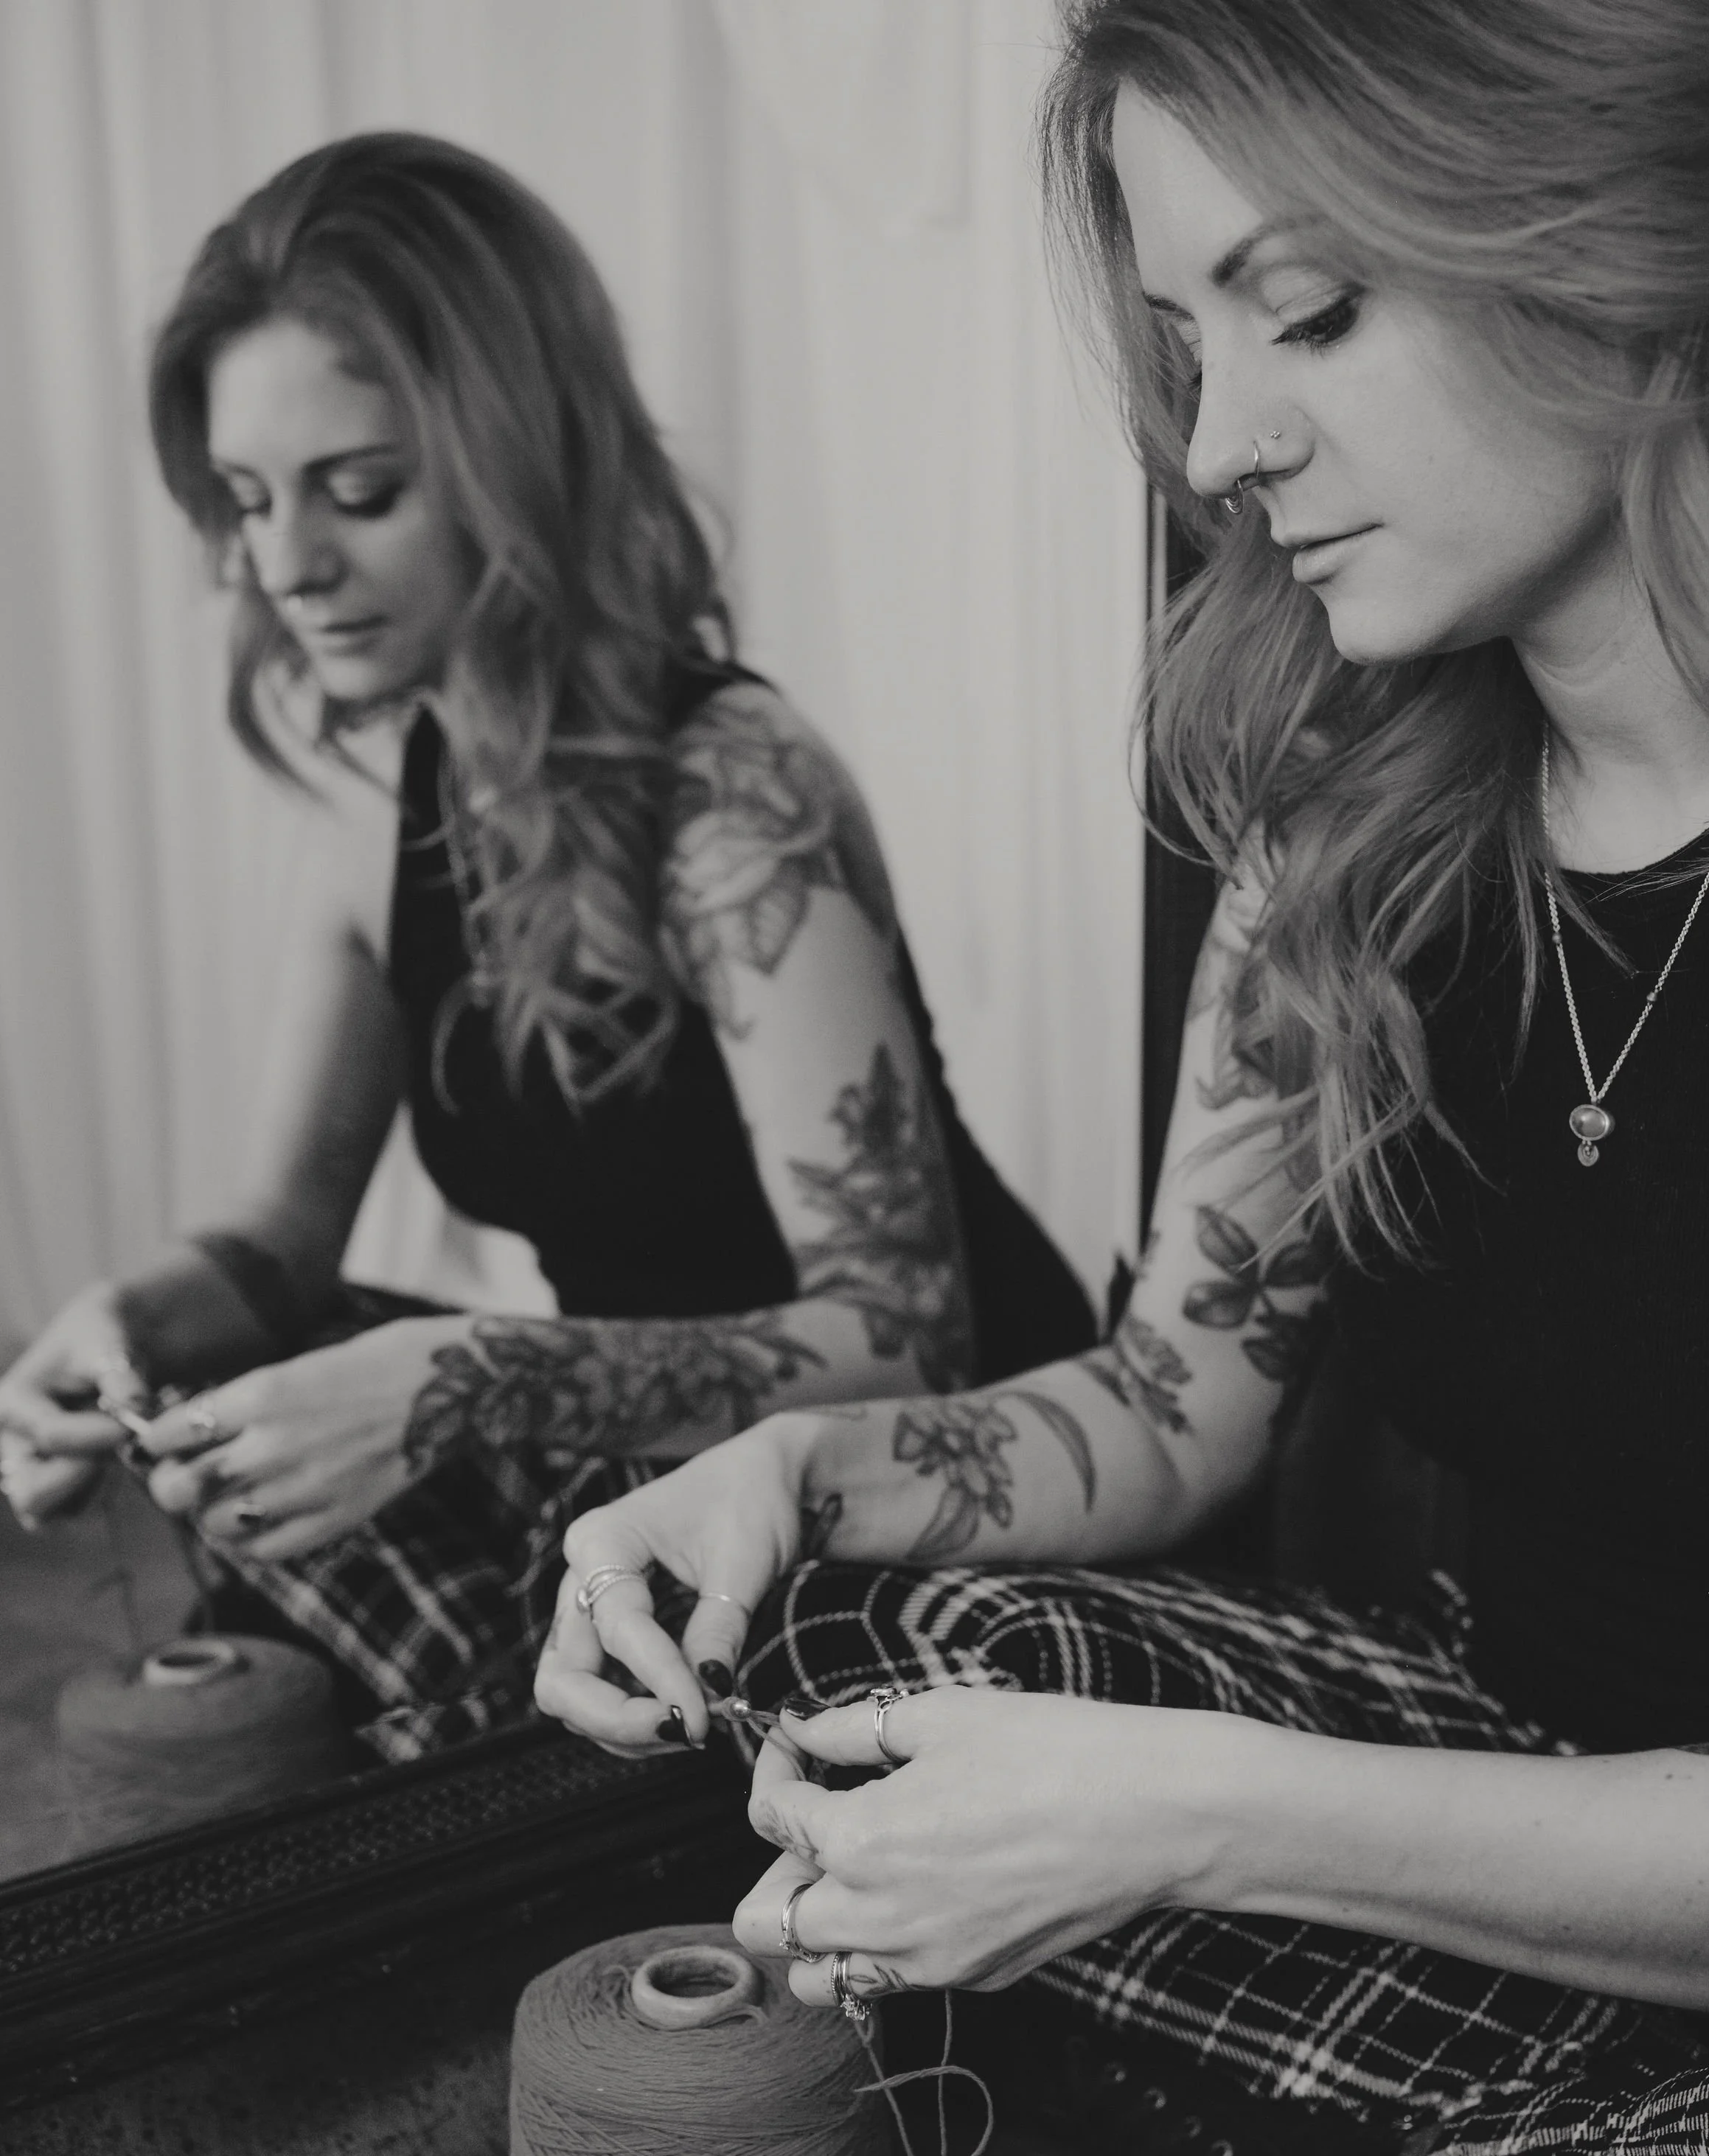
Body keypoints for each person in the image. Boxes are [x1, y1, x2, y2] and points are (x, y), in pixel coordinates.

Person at [532, 0, 1709, 2156]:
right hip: (1495, 1782)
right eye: (1186, 343)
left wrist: (1174, 1817)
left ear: (1629, 234)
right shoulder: (1344, 851)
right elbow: (1164, 1406)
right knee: (911, 1661)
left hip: (1571, 1876)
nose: (1224, 444)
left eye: (1306, 313)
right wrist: (803, 1474)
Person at [0, 133, 1091, 1759]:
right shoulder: (382, 793)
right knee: (266, 1408)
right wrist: (130, 1325)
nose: (285, 568)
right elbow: (286, 1238)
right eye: (247, 502)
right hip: (628, 1447)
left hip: (908, 1463)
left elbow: (902, 1335)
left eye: (359, 492)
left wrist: (464, 1378)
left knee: (558, 1630)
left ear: (517, 458)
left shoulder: (731, 789)